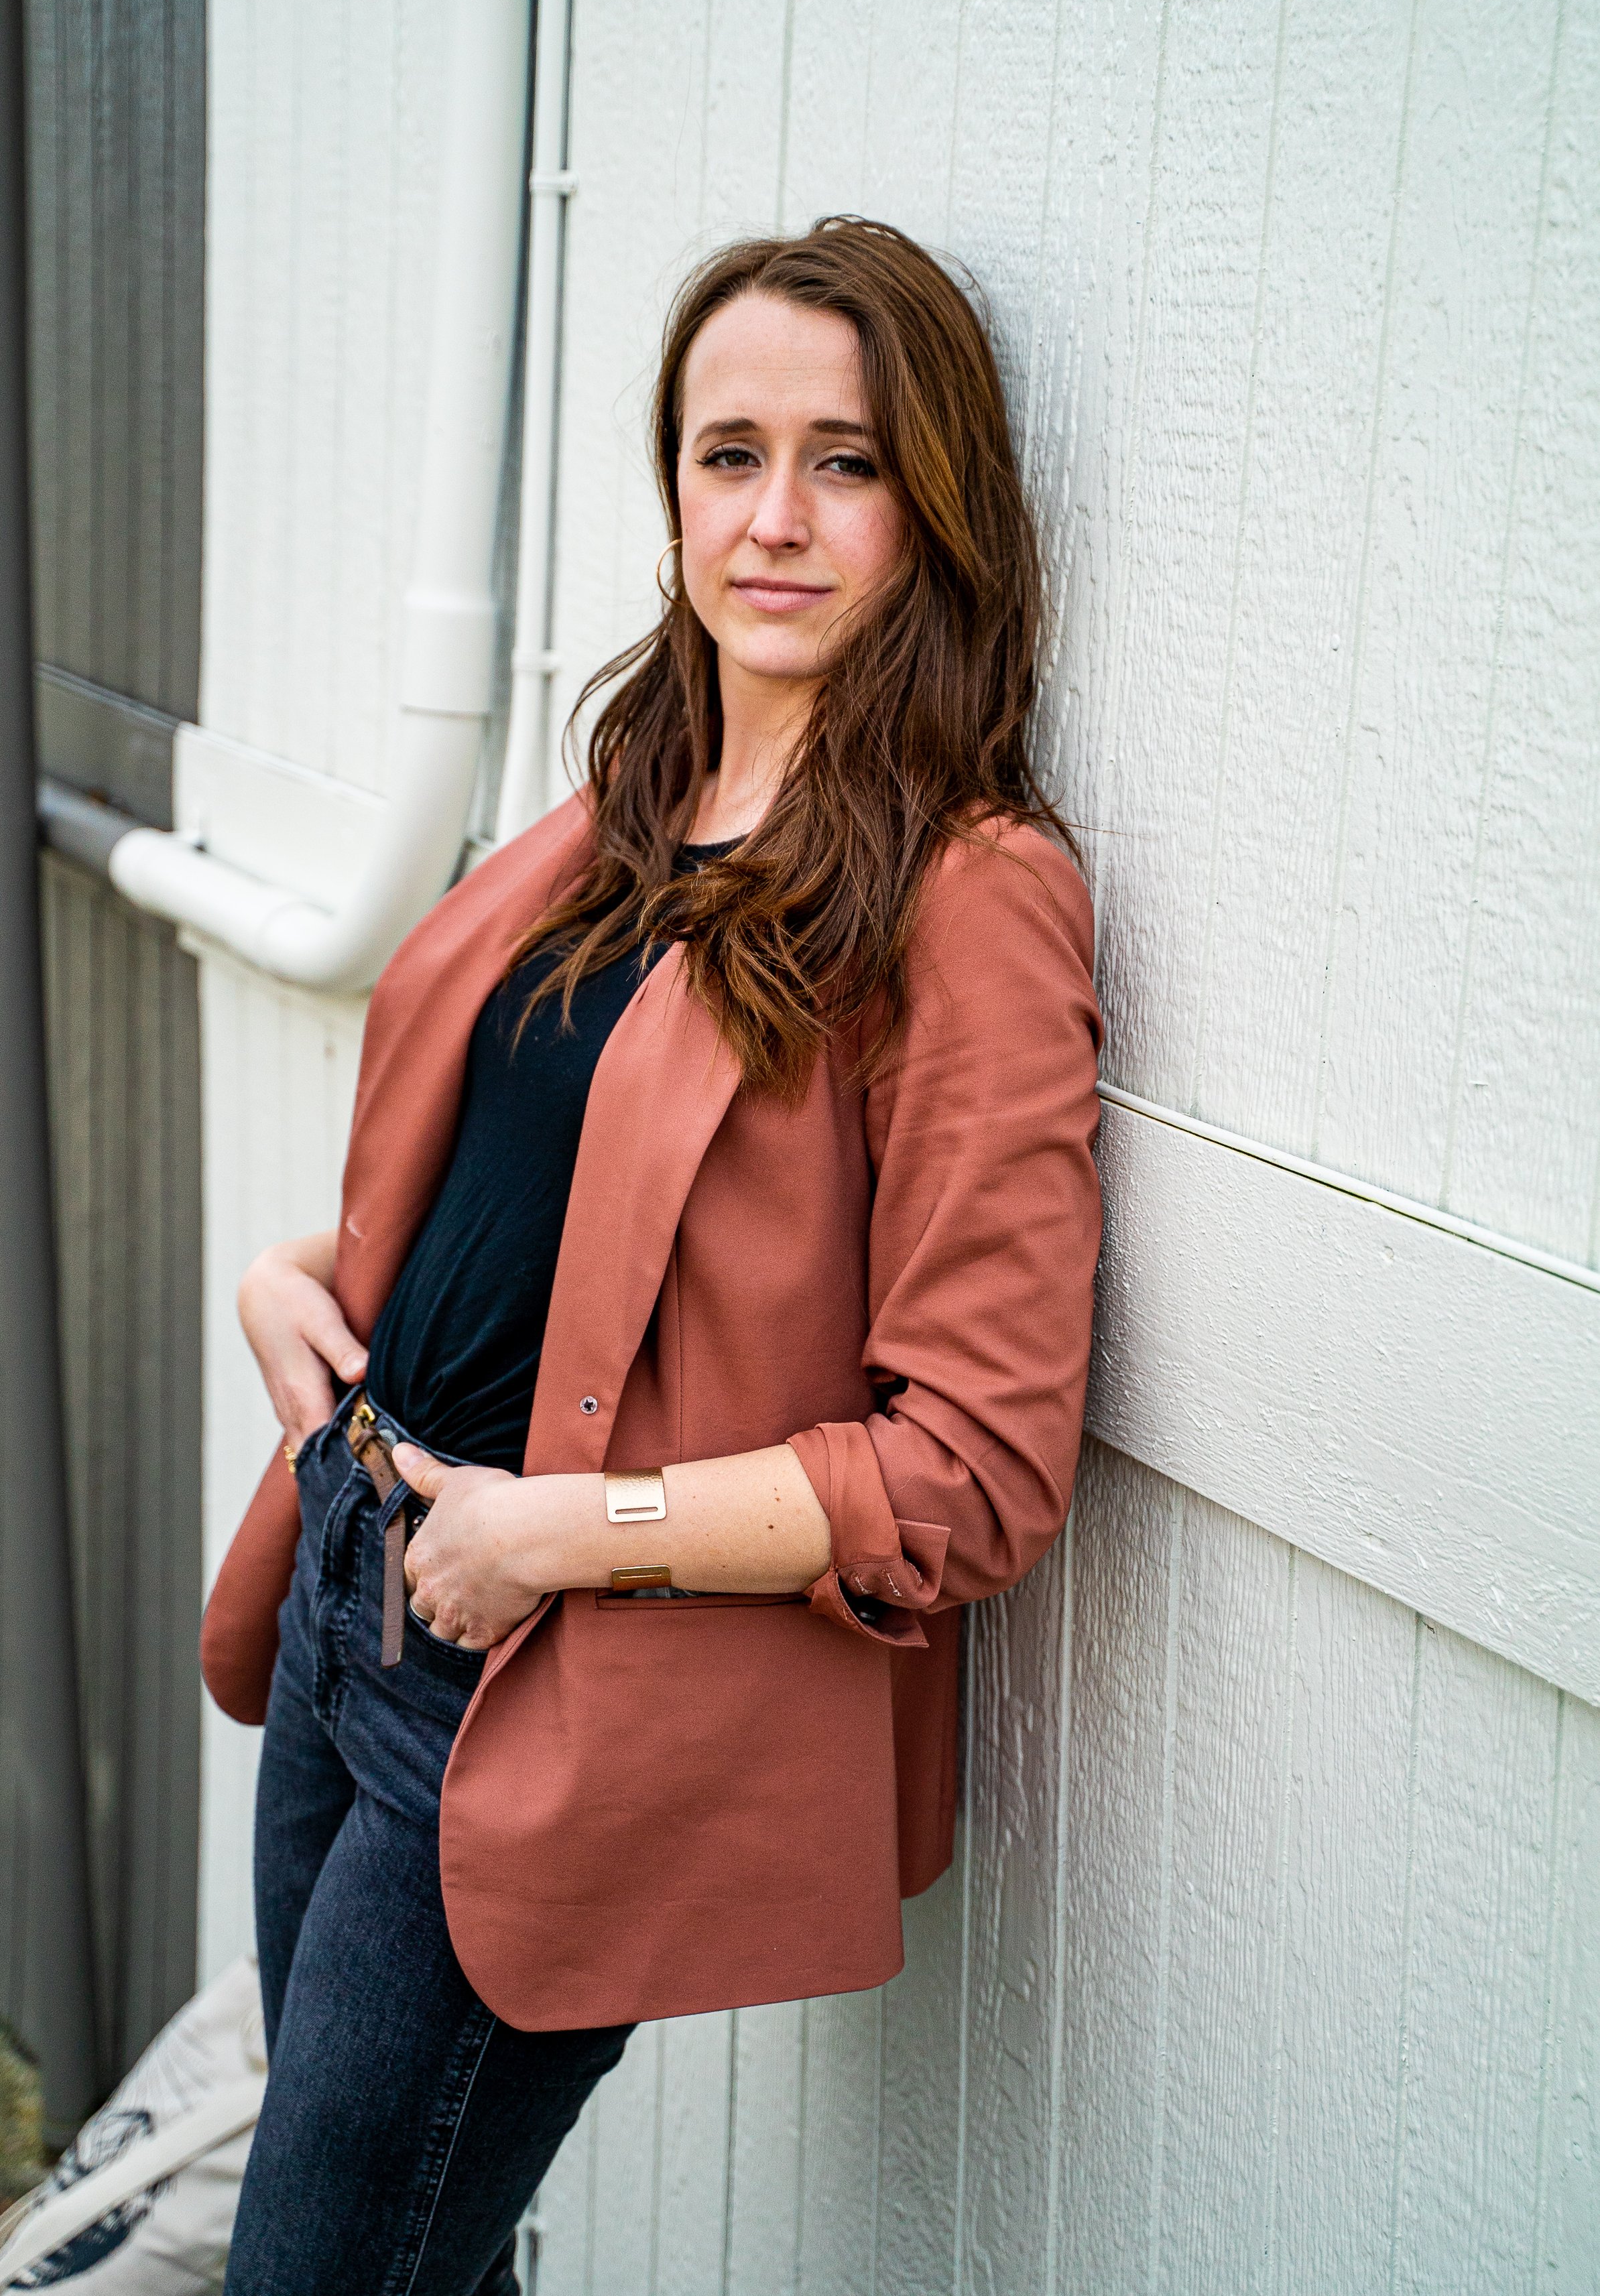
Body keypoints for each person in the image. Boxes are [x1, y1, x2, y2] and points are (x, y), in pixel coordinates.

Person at [208, 216, 1103, 2295]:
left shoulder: (968, 894)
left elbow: (970, 1471)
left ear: (936, 504)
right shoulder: (631, 809)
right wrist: (298, 1284)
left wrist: (560, 1534)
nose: (772, 519)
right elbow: (546, 1188)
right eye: (728, 455)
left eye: (844, 463)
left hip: (531, 1676)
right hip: (360, 1576)